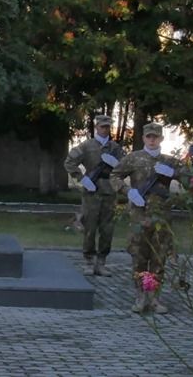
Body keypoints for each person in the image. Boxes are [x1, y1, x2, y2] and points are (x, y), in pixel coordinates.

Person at [110, 122, 185, 314]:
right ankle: (140, 296)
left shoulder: (170, 161)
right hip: (139, 216)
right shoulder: (134, 158)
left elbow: (191, 182)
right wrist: (128, 191)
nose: (152, 140)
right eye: (149, 137)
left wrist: (173, 173)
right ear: (143, 138)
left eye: (156, 137)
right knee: (139, 257)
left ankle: (154, 298)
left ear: (161, 138)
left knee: (159, 259)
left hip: (162, 218)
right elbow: (114, 176)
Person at [64, 114, 126, 276]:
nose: (105, 129)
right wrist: (82, 178)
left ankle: (102, 262)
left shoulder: (115, 148)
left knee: (107, 228)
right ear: (96, 127)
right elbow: (69, 162)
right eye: (102, 126)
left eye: (107, 126)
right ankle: (89, 261)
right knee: (89, 227)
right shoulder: (87, 146)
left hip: (109, 191)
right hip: (91, 191)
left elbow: (124, 167)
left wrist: (117, 166)